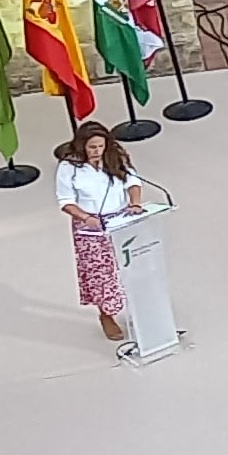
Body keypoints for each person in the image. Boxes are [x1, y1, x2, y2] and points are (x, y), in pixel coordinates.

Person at [56, 123, 149, 344]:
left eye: (101, 145)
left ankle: (139, 311)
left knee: (131, 267)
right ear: (81, 146)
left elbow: (133, 182)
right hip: (91, 225)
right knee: (101, 274)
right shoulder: (69, 167)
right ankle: (106, 314)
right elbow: (65, 201)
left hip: (121, 219)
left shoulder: (115, 158)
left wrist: (135, 204)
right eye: (92, 147)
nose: (97, 150)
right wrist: (86, 218)